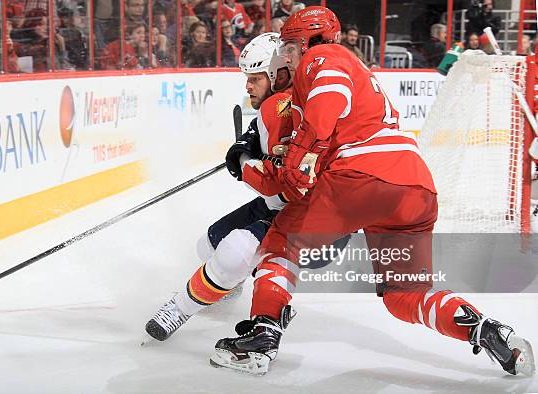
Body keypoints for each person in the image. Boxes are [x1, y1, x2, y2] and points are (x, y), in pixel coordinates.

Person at [210, 6, 535, 377]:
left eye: (290, 45)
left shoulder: (324, 56)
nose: (288, 54)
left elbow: (307, 149)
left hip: (362, 178)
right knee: (404, 297)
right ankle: (485, 329)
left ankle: (262, 338)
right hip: (415, 188)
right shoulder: (353, 70)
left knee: (280, 242)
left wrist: (252, 165)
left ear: (308, 40)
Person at [144, 32, 295, 342]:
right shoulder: (277, 106)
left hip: (306, 211)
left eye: (255, 78)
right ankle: (223, 285)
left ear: (277, 74)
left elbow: (275, 181)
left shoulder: (292, 107)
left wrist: (245, 162)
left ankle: (180, 308)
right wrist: (249, 144)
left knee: (233, 252)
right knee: (209, 244)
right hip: (279, 202)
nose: (247, 85)